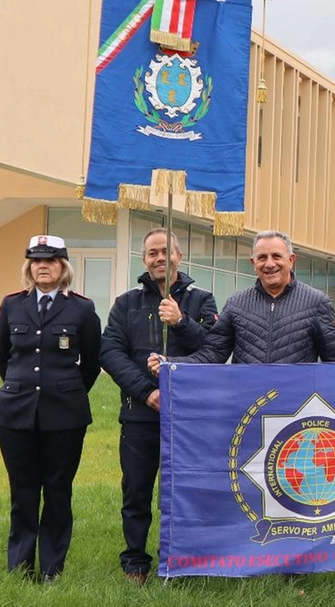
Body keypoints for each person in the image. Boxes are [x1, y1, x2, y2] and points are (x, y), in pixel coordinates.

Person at [100, 228, 218, 585]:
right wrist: (147, 392)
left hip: (188, 416)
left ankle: (182, 559)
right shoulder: (126, 303)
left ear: (179, 256)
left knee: (182, 491)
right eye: (152, 253)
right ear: (144, 260)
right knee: (136, 490)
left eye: (165, 251)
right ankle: (135, 562)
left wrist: (181, 322)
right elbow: (110, 352)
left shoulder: (202, 300)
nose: (159, 258)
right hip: (140, 414)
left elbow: (215, 351)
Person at [0, 235, 102, 582]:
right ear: (29, 267)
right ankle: (20, 568)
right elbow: (2, 358)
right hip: (16, 412)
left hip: (65, 415)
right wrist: (23, 387)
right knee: (22, 490)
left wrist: (66, 391)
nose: (43, 266)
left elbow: (91, 363)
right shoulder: (11, 306)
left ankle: (52, 568)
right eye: (37, 261)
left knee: (57, 490)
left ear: (63, 267)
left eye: (51, 260)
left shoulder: (81, 309)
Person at [149, 230, 335, 370]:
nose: (269, 264)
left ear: (291, 260)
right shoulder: (236, 304)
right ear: (254, 263)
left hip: (296, 412)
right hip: (247, 407)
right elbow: (213, 354)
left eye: (276, 256)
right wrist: (171, 364)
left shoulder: (317, 302)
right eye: (262, 258)